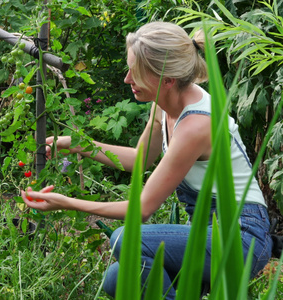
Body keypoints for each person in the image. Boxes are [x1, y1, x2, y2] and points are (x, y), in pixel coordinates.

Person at [20, 21, 272, 299]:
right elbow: (138, 159)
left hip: (242, 237)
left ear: (167, 79)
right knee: (118, 279)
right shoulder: (165, 103)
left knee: (126, 240)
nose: (127, 79)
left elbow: (142, 210)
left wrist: (64, 203)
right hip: (209, 231)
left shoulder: (197, 125)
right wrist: (78, 146)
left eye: (136, 72)